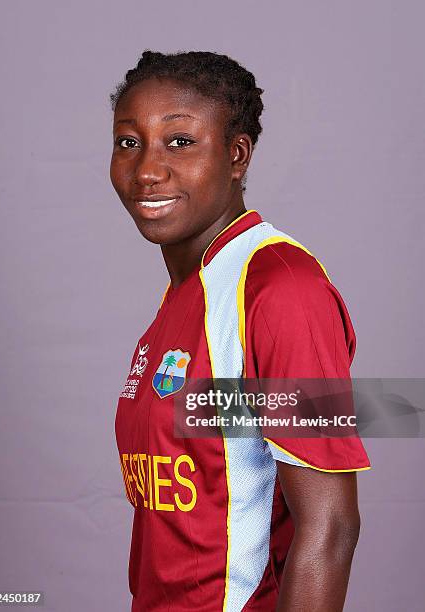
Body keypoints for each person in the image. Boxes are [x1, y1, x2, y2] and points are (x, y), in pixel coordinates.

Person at [110, 50, 371, 612]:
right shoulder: (188, 293)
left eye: (180, 141)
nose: (148, 169)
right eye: (129, 141)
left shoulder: (281, 289)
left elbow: (330, 529)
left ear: (236, 155)